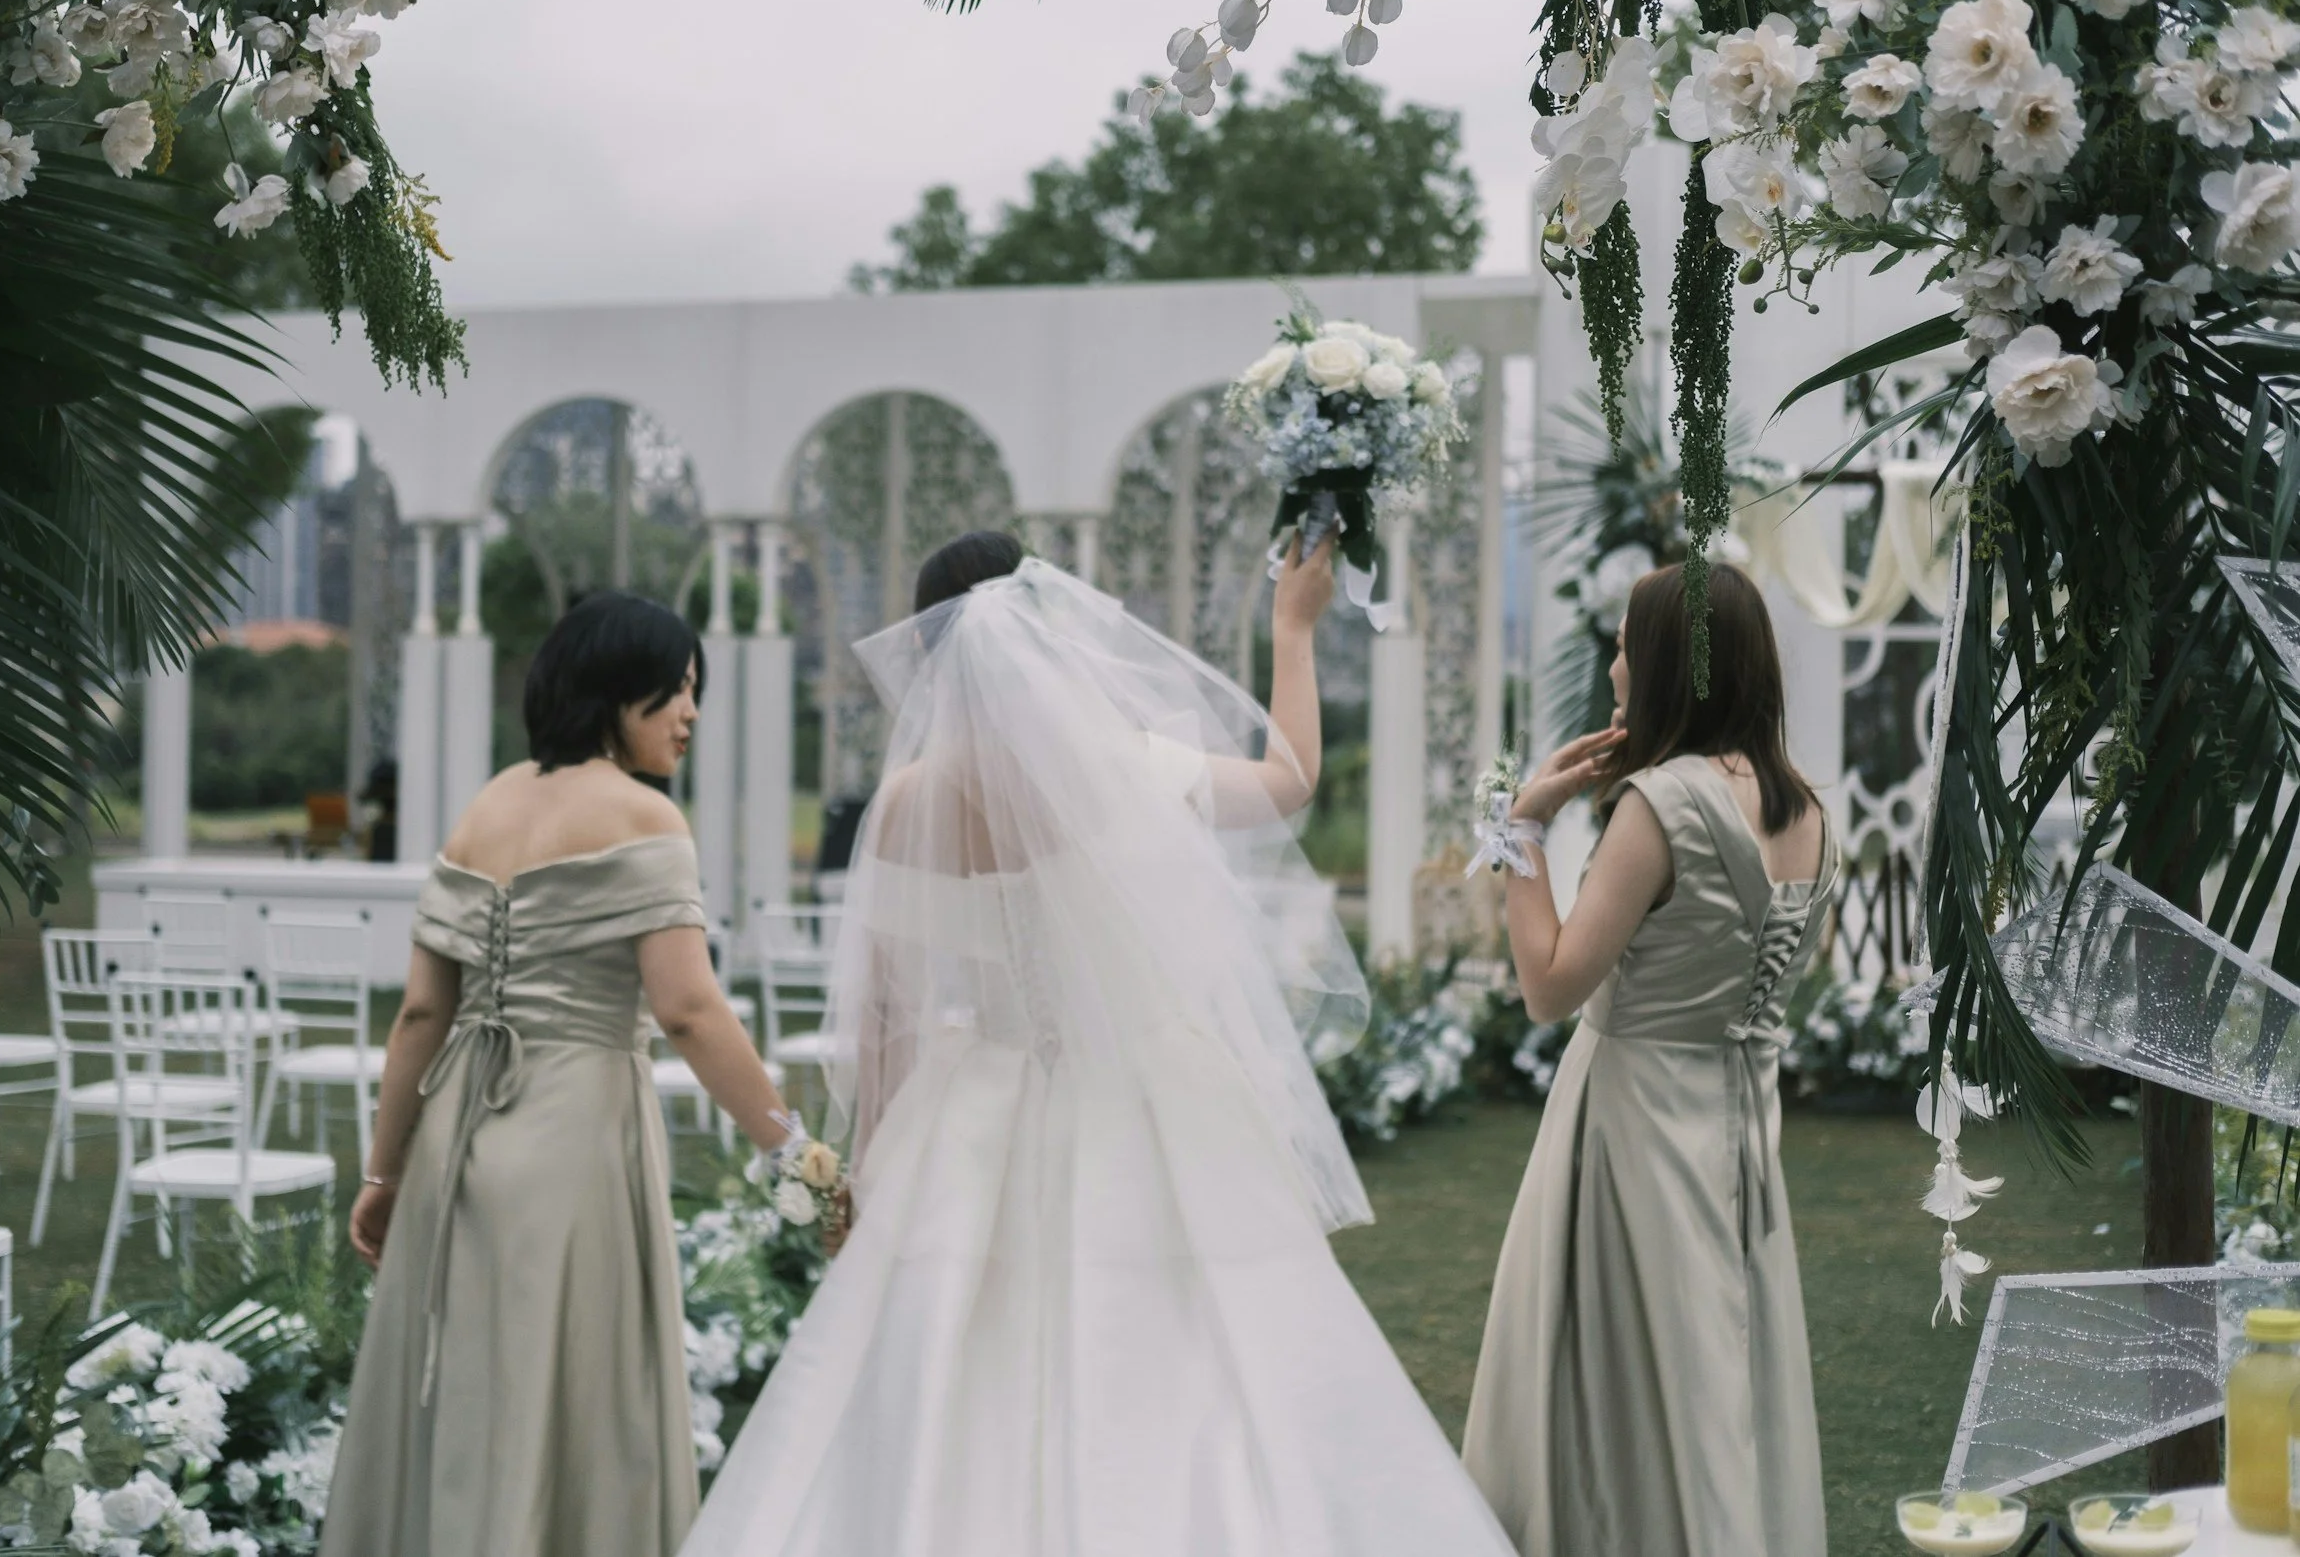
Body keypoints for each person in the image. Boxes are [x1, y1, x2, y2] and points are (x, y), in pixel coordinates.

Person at [680, 531, 1518, 1557]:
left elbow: (886, 1016)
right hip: (1145, 1095)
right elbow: (1289, 779)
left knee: (942, 1353)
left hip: (971, 1106)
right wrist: (1291, 627)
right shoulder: (1118, 767)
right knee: (1211, 1344)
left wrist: (871, 1168)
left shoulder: (902, 806)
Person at [319, 592, 794, 1557]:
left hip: (456, 1141)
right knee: (575, 1398)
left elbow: (421, 1013)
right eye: (676, 690)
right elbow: (689, 1009)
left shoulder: (489, 801)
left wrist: (384, 1171)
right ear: (618, 690)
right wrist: (792, 1148)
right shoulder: (646, 815)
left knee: (469, 1392)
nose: (690, 713)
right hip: (575, 1141)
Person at [1462, 561, 1838, 1557]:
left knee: (1615, 1378)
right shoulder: (1806, 810)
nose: (1614, 665)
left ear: (1671, 662)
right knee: (1717, 1362)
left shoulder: (1661, 804)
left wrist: (1521, 827)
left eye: (1627, 645)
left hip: (1630, 1123)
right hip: (1737, 1126)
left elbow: (1549, 985)